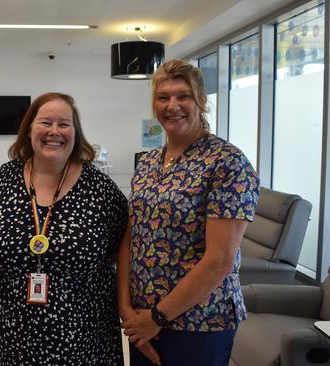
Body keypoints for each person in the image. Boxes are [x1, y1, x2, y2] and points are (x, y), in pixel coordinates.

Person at [118, 59, 259, 366]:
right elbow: (133, 234)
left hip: (199, 322)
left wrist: (157, 317)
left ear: (201, 101)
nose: (172, 106)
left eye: (183, 96)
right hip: (143, 318)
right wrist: (126, 307)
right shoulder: (148, 161)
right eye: (163, 97)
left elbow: (219, 260)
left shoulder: (227, 163)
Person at [0, 92, 128, 365]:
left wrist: (127, 307)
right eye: (45, 122)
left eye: (64, 124)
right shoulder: (1, 181)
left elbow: (124, 248)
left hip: (83, 339)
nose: (54, 131)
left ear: (76, 132)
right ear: (29, 129)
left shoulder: (101, 190)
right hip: (9, 337)